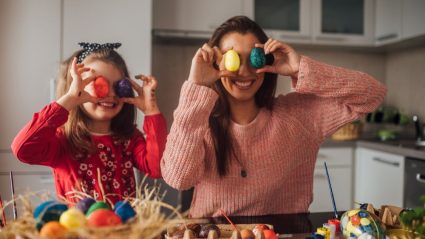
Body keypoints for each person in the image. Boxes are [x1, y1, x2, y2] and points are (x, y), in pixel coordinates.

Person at [160, 16, 387, 217]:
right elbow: (179, 179)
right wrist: (196, 85)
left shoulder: (299, 115)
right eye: (233, 58)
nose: (245, 71)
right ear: (216, 63)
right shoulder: (200, 121)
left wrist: (301, 68)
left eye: (254, 57)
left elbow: (372, 94)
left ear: (266, 60)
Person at [11, 42, 167, 204]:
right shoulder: (63, 140)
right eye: (100, 85)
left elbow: (157, 168)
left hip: (126, 229)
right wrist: (69, 100)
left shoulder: (129, 138)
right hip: (78, 229)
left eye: (120, 86)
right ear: (77, 88)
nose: (112, 94)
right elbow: (23, 149)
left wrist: (151, 111)